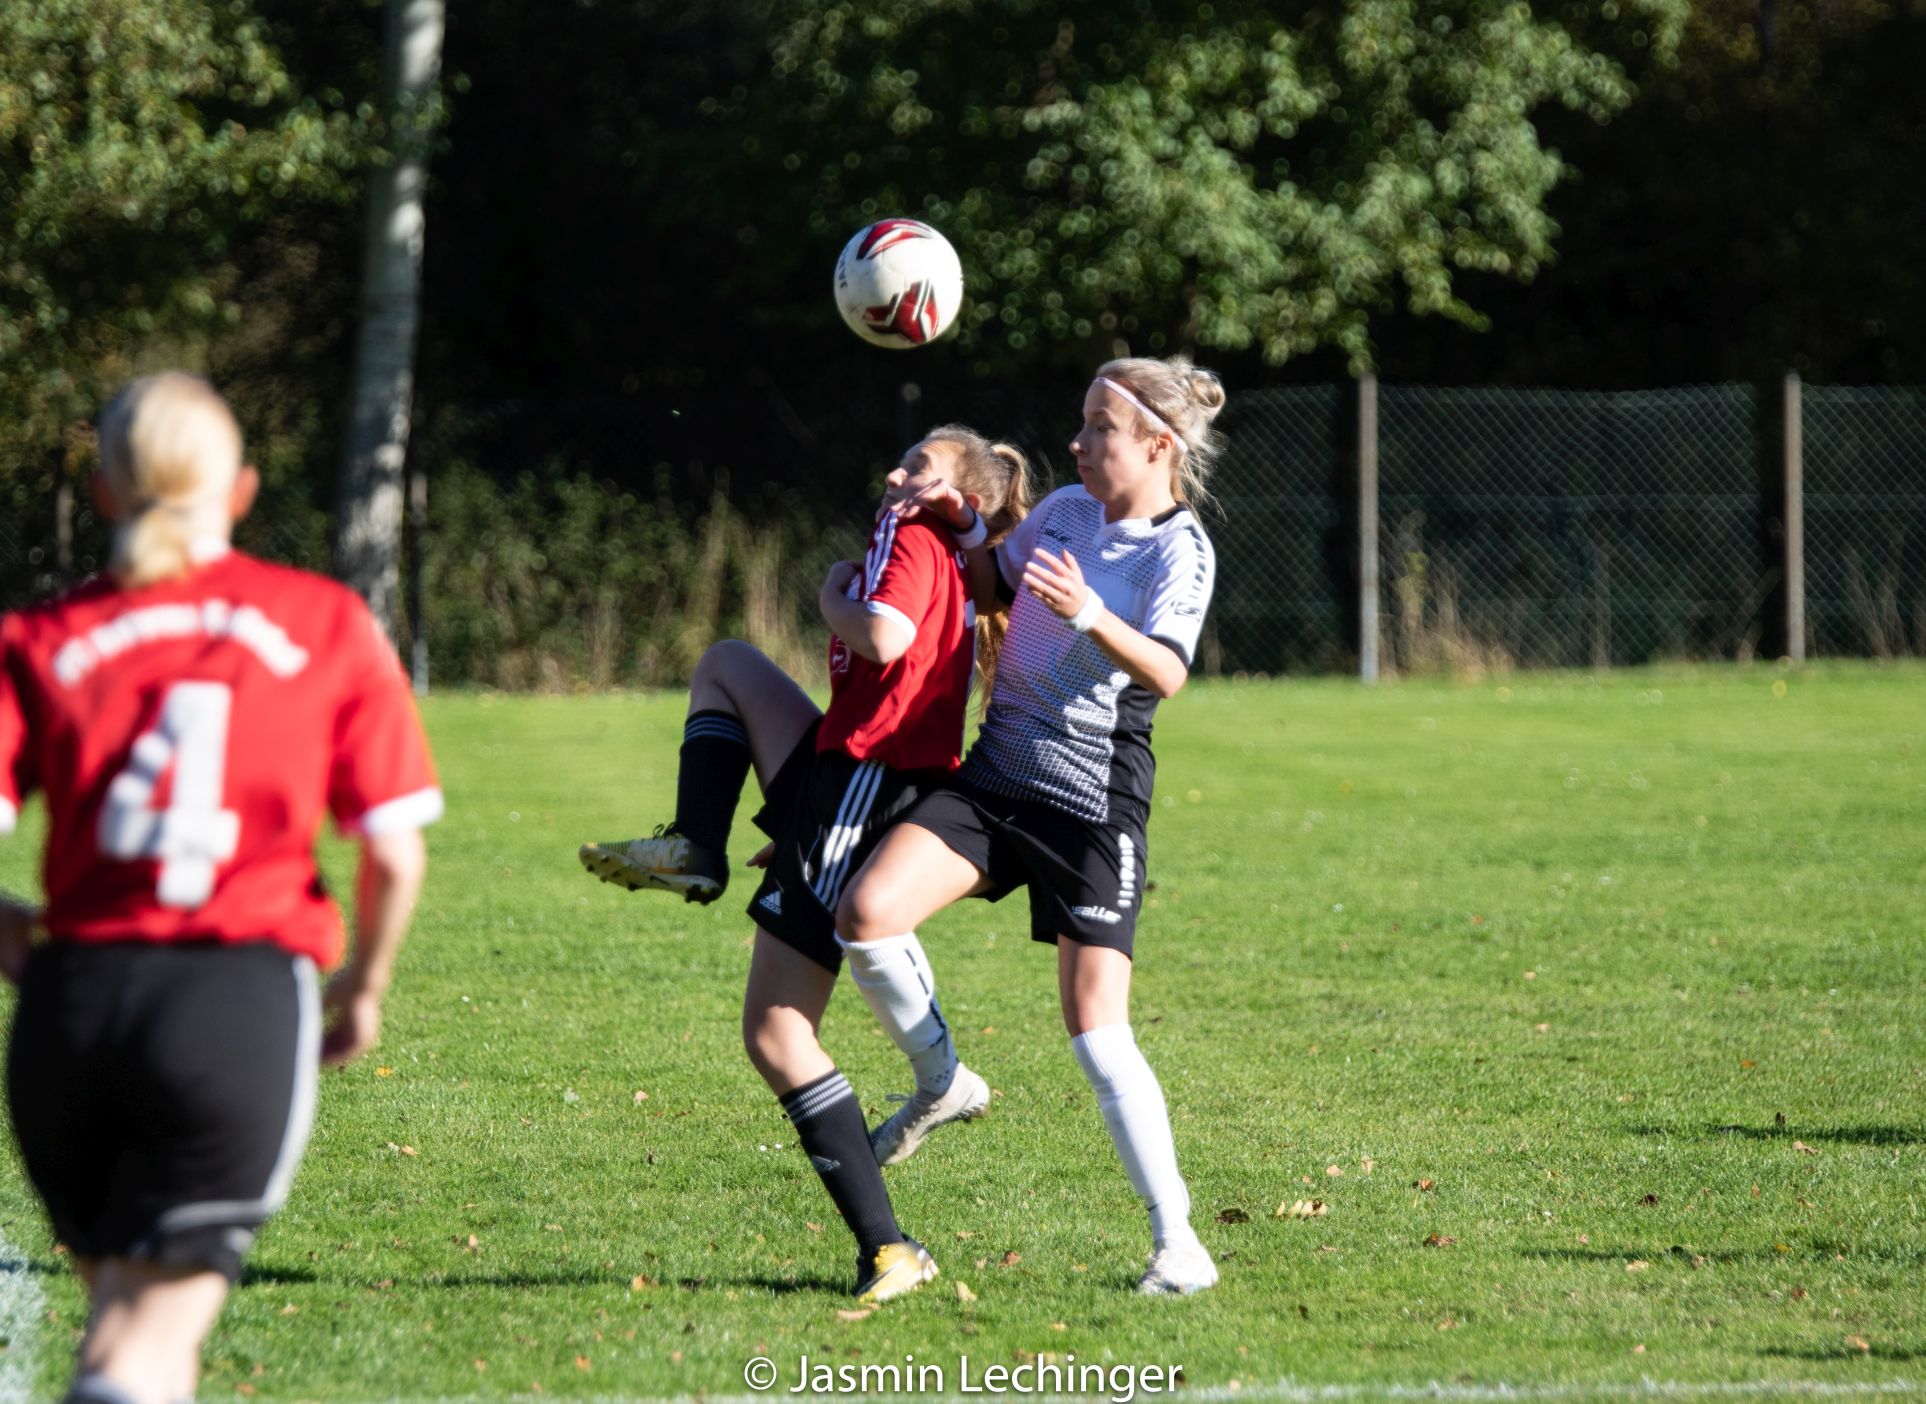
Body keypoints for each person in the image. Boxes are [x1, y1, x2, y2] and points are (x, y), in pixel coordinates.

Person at [0, 373, 441, 1404]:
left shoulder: (38, 637)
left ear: (104, 493)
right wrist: (365, 986)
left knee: (129, 1327)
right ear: (241, 491)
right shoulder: (325, 622)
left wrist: (13, 938)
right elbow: (395, 851)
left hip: (71, 1013)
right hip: (230, 1007)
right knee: (141, 1347)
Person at [577, 425, 1029, 1302]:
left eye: (920, 466)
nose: (896, 473)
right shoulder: (934, 541)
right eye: (901, 459)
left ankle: (889, 1248)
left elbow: (885, 638)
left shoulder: (914, 535)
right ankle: (694, 843)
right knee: (730, 666)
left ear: (959, 496)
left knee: (778, 1033)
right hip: (843, 775)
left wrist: (830, 598)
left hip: (862, 787)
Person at [833, 356, 1224, 1296]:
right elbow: (987, 584)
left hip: (1091, 804)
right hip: (997, 777)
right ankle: (942, 1083)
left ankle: (1179, 1247)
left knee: (1098, 1034)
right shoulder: (1064, 512)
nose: (1079, 442)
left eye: (1100, 428)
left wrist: (1089, 612)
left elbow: (1168, 672)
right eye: (1082, 422)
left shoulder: (1181, 549)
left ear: (1158, 446)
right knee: (867, 914)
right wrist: (964, 521)